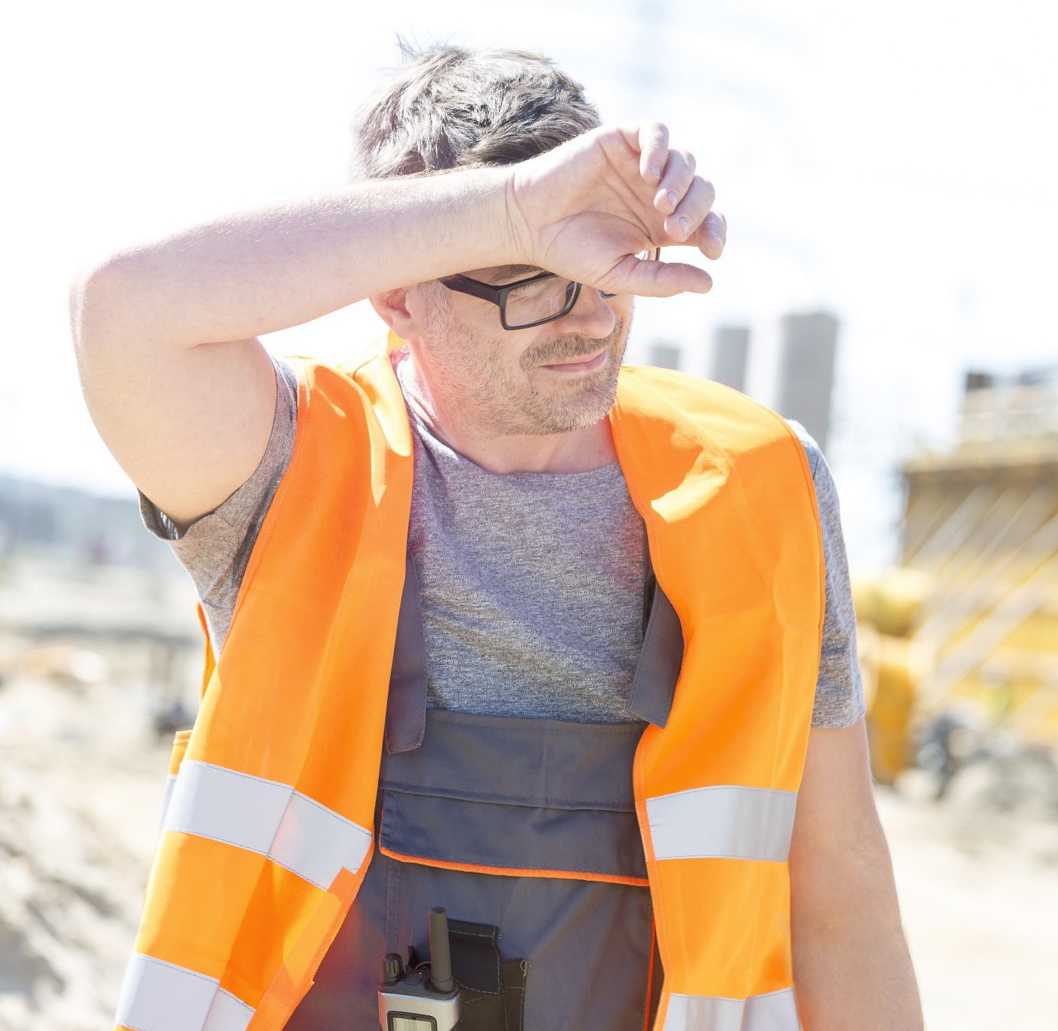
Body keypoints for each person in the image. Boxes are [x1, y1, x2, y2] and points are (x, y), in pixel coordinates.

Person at [70, 41, 923, 1031]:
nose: (591, 317)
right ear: (399, 292)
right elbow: (121, 307)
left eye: (604, 267)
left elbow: (837, 880)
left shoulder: (756, 483)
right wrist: (513, 205)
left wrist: (534, 237)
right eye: (536, 274)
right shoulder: (296, 464)